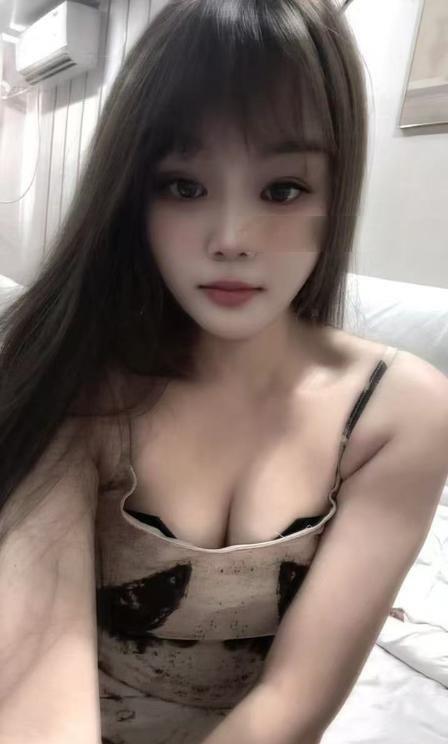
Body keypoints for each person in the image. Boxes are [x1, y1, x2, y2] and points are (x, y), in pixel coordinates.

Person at [1, 1, 448, 743]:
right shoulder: (73, 379)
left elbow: (291, 702)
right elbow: (35, 685)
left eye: (283, 189)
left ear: (335, 193)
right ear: (132, 195)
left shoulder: (398, 415)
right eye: (183, 186)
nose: (232, 239)